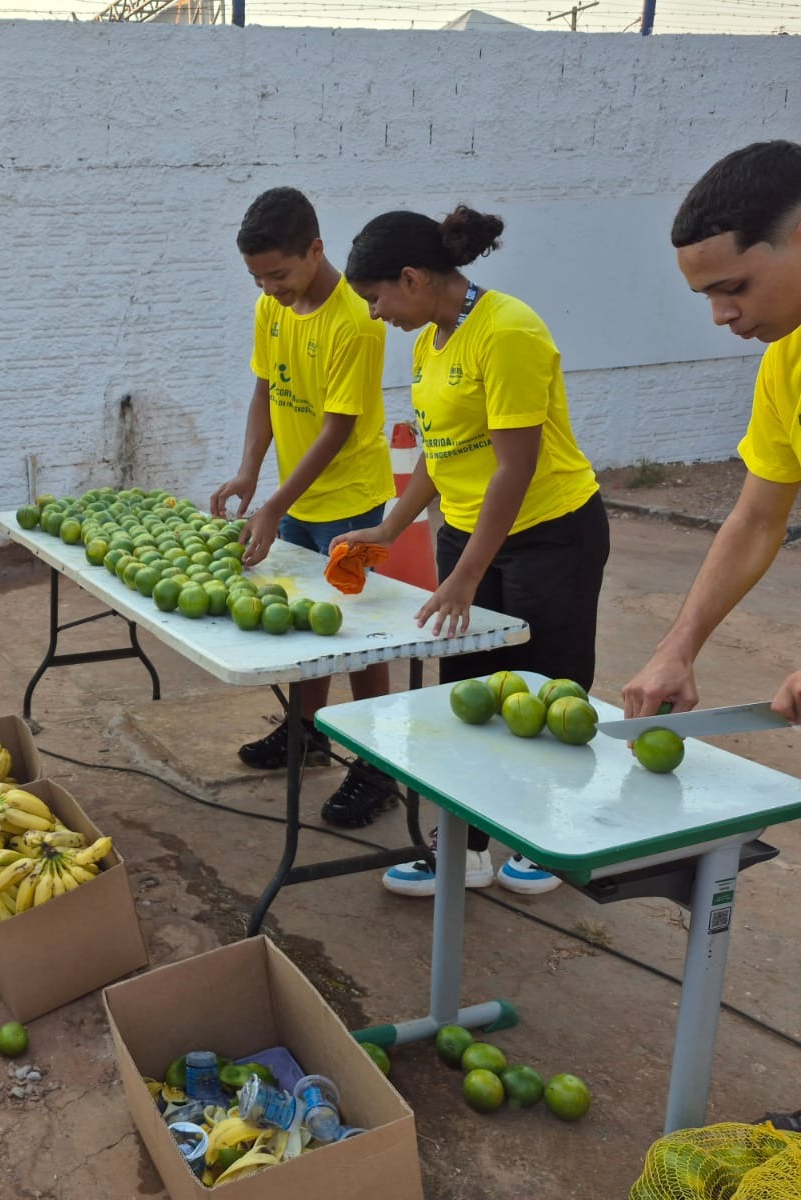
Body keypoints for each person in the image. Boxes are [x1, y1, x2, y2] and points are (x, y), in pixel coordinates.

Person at [336, 204, 608, 899]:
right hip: (471, 533)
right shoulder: (432, 339)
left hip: (550, 535)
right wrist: (392, 529)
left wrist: (463, 576)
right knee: (473, 696)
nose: (373, 315)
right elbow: (442, 452)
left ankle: (546, 836)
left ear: (412, 277)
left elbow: (514, 467)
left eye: (375, 298)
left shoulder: (508, 331)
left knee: (547, 690)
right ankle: (469, 845)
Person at [619, 140, 801, 1134]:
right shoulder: (788, 362)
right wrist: (677, 643)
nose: (722, 317)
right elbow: (757, 515)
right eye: (705, 298)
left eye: (733, 286)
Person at [211, 188, 399, 828]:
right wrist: (248, 473)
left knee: (362, 635)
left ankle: (378, 767)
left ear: (316, 249)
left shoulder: (356, 320)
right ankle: (306, 731)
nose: (268, 288)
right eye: (258, 278)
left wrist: (271, 504)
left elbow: (337, 429)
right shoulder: (274, 306)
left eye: (279, 274)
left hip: (352, 504)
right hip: (294, 497)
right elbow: (266, 391)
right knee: (302, 618)